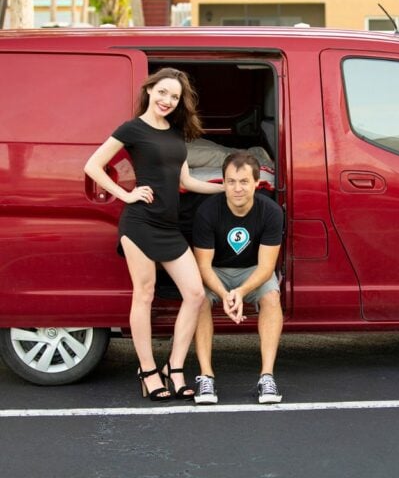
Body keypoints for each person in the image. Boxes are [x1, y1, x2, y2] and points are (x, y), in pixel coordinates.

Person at [84, 68, 224, 401]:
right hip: (139, 223)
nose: (167, 100)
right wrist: (126, 194)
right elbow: (92, 165)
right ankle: (148, 371)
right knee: (144, 295)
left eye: (174, 97)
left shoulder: (177, 134)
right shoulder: (132, 129)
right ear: (149, 90)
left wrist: (227, 190)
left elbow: (186, 182)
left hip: (168, 227)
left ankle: (173, 368)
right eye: (162, 92)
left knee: (195, 294)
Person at [192, 150, 284, 405]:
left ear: (257, 183)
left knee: (272, 298)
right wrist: (224, 295)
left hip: (253, 271)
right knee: (198, 298)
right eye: (231, 182)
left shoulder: (271, 212)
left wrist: (241, 292)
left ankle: (267, 376)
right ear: (223, 183)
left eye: (244, 182)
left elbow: (267, 268)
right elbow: (203, 266)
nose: (237, 188)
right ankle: (206, 376)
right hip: (215, 271)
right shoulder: (207, 211)